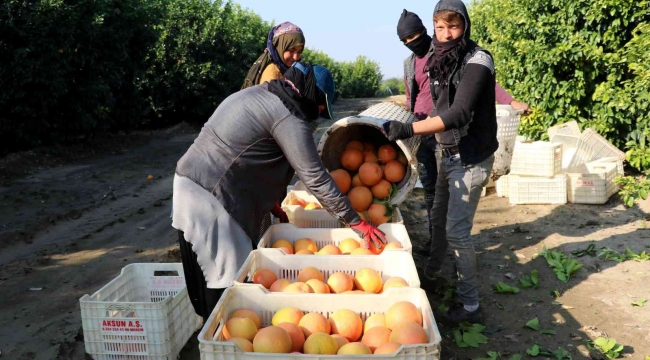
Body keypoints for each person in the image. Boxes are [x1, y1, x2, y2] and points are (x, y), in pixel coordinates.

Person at [173, 62, 386, 321]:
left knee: (212, 277)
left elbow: (249, 154)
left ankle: (220, 335)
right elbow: (315, 176)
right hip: (212, 198)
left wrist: (272, 201)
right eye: (320, 105)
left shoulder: (260, 94)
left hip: (192, 186)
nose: (318, 112)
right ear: (310, 93)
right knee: (228, 283)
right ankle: (222, 343)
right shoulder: (288, 115)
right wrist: (355, 221)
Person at [385, 0, 497, 324]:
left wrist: (409, 128)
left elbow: (458, 112)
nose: (446, 34)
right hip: (445, 152)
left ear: (465, 25)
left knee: (457, 232)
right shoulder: (436, 59)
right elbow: (435, 104)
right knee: (437, 218)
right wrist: (411, 125)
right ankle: (431, 276)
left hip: (471, 159)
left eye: (454, 26)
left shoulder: (479, 60)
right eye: (441, 27)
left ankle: (470, 305)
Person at [397, 9, 530, 256]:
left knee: (448, 195)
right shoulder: (410, 64)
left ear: (425, 31)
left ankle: (449, 242)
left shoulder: (451, 54)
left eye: (414, 37)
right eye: (405, 41)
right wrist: (408, 121)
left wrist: (510, 102)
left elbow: (481, 84)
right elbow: (410, 96)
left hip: (447, 133)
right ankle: (436, 244)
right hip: (422, 132)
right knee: (431, 190)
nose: (411, 43)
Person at [241, 21, 305, 89]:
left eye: (299, 52)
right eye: (291, 50)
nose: (295, 57)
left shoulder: (288, 71)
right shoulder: (272, 72)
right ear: (279, 47)